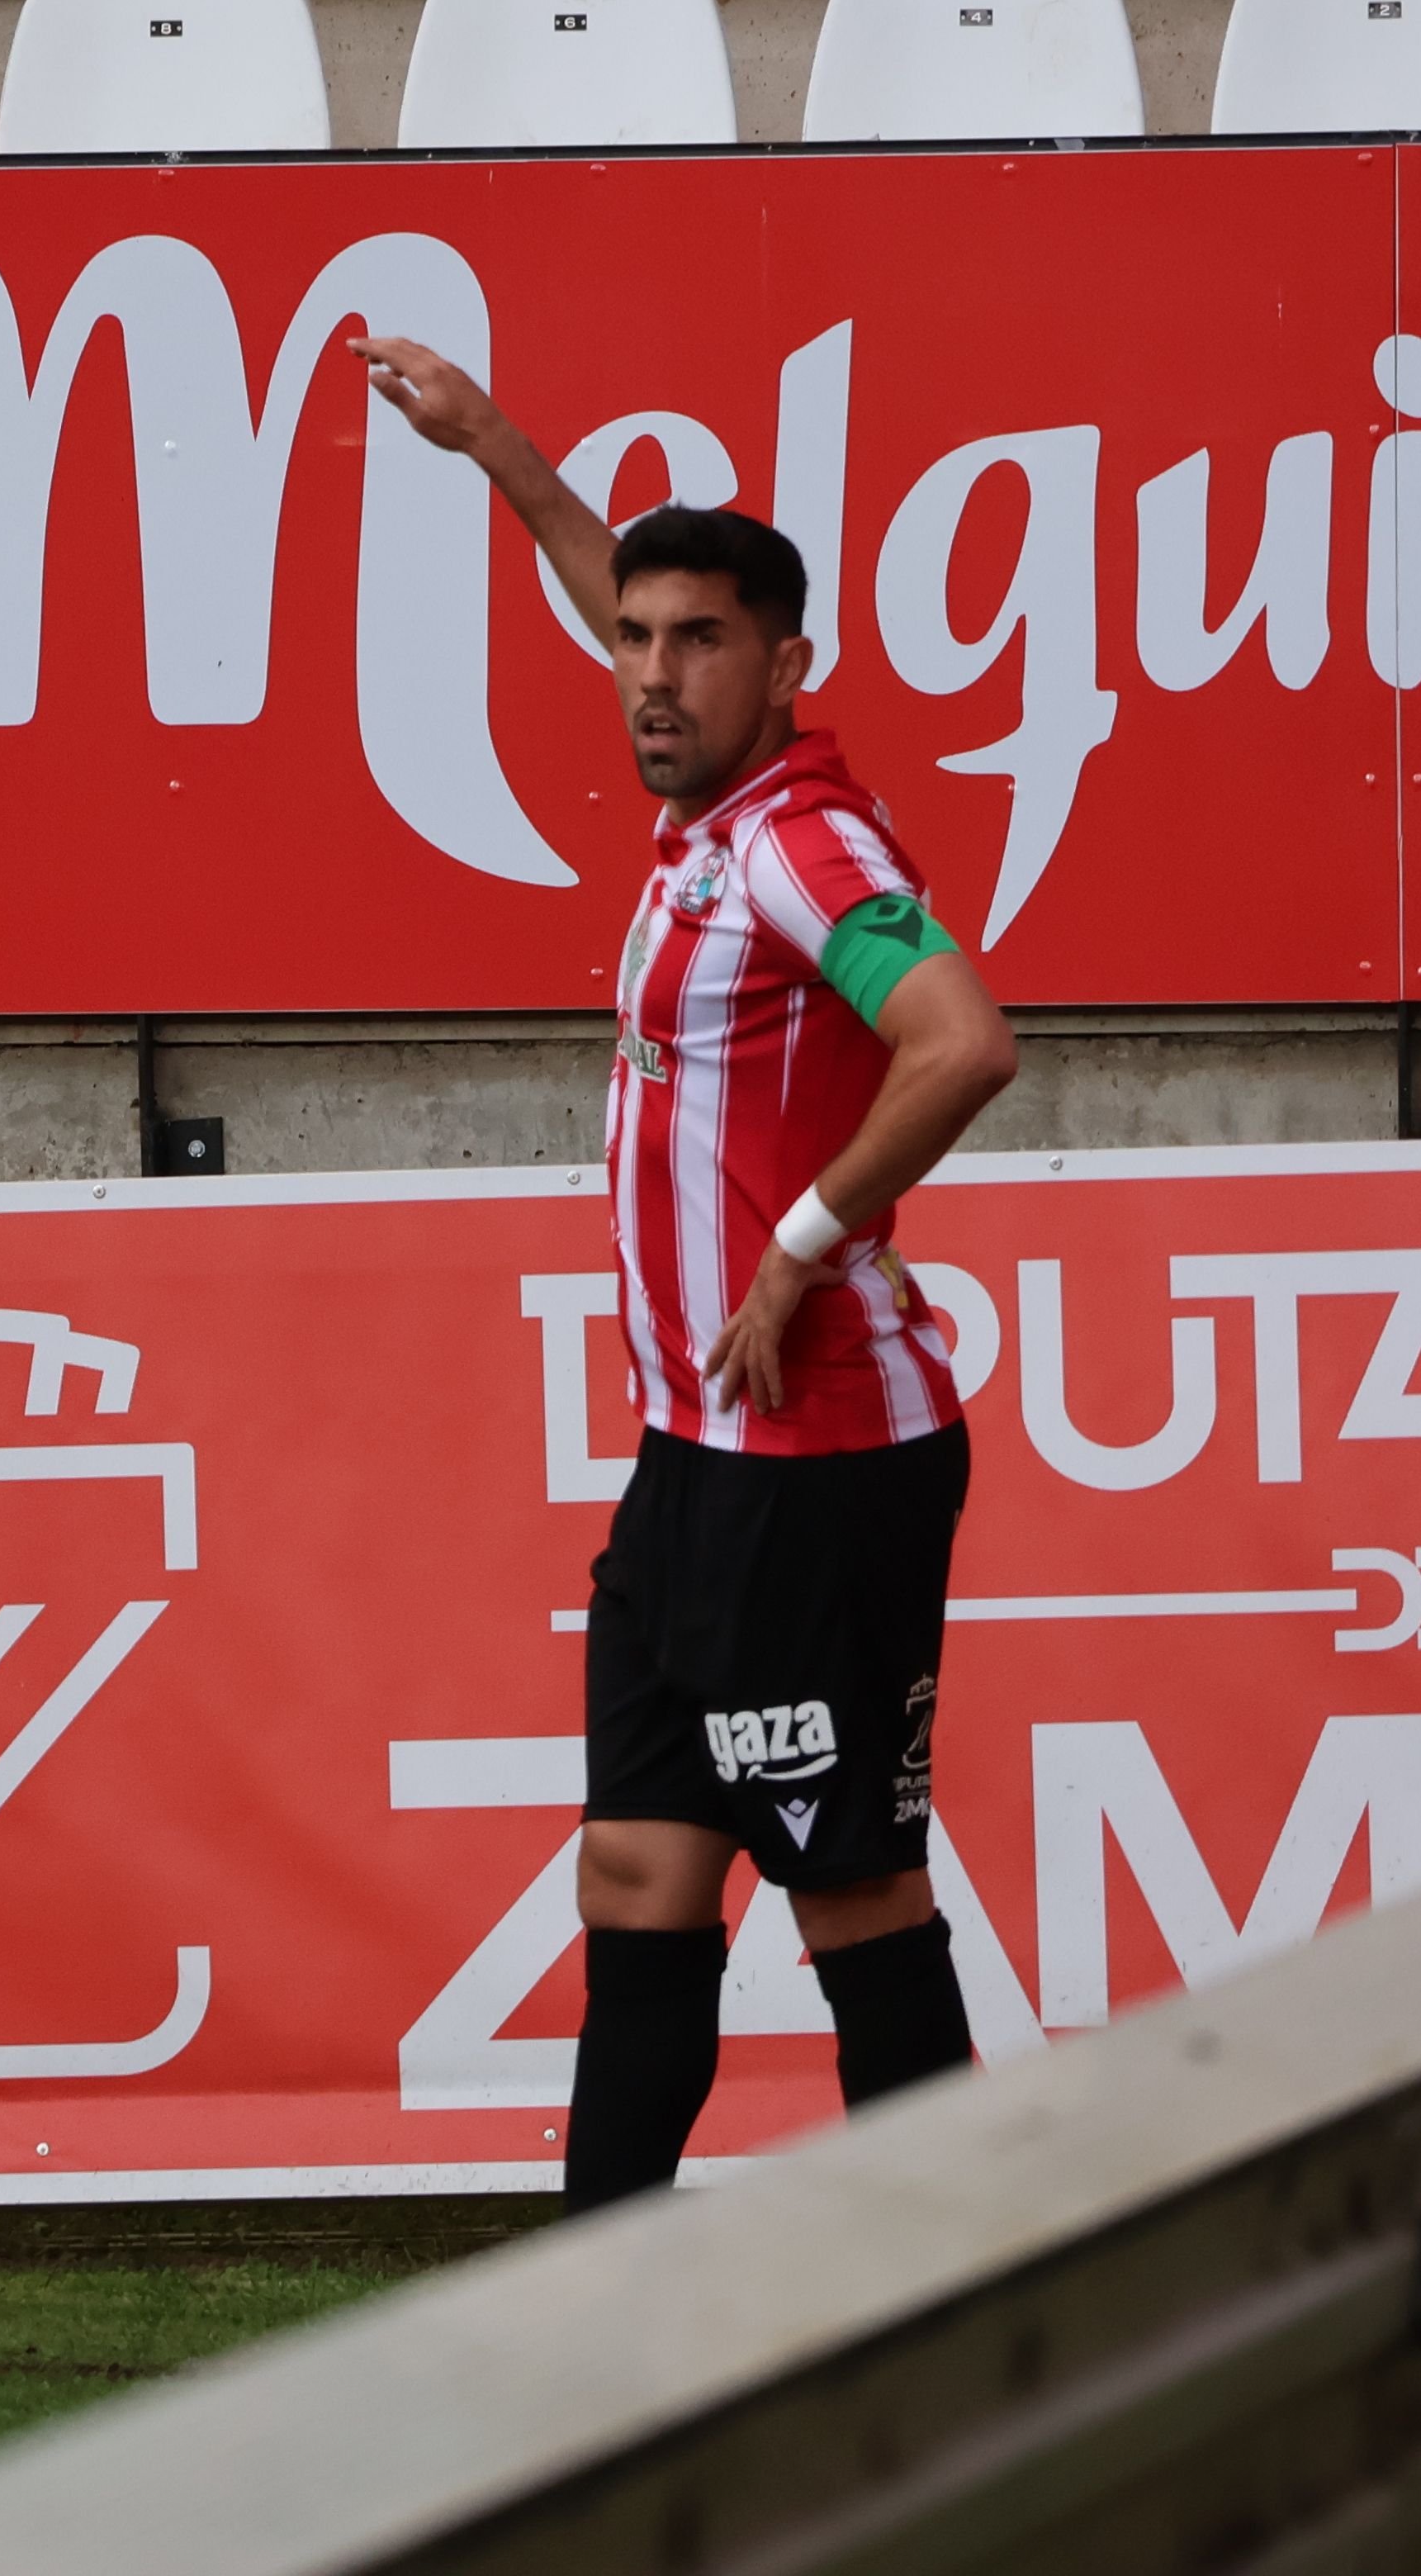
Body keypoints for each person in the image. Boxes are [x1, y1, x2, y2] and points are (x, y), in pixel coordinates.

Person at [359, 330, 1024, 2213]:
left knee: (849, 1890)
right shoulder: (712, 807)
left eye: (695, 641)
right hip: (697, 1458)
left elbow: (965, 1039)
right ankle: (598, 2304)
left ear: (787, 662)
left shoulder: (804, 845)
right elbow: (613, 587)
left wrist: (806, 1243)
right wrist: (495, 443)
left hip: (816, 1463)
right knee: (639, 1878)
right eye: (635, 638)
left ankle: (964, 2279)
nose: (650, 672)